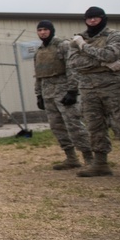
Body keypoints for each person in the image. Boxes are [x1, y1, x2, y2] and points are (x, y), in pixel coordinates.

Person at [69, 7, 120, 180]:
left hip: (114, 87)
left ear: (103, 18)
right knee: (94, 126)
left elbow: (111, 54)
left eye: (96, 18)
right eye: (89, 18)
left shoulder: (115, 36)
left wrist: (84, 47)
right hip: (88, 89)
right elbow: (74, 62)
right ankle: (100, 163)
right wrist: (103, 63)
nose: (92, 21)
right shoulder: (79, 38)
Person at [33, 20, 92, 170]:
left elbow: (72, 68)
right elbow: (39, 74)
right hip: (48, 93)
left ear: (51, 30)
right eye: (40, 30)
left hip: (63, 91)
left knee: (74, 124)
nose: (42, 33)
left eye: (45, 29)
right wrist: (39, 94)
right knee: (57, 126)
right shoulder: (39, 51)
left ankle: (89, 158)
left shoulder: (63, 45)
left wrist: (72, 90)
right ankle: (71, 157)